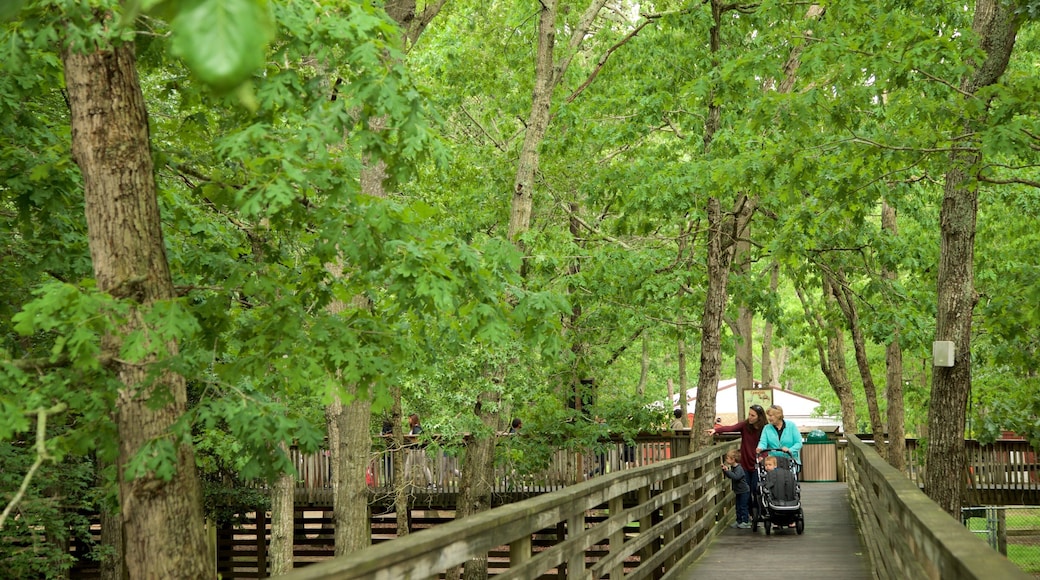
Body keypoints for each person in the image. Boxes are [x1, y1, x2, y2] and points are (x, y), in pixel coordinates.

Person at [707, 404, 767, 510]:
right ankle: (748, 513)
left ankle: (758, 510)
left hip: (758, 462)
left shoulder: (765, 428)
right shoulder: (745, 425)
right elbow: (731, 428)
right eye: (749, 414)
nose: (750, 417)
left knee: (756, 488)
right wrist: (716, 430)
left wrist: (763, 456)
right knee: (745, 489)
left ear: (759, 417)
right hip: (745, 462)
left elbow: (768, 443)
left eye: (753, 415)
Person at [721, 449, 751, 528]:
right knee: (738, 507)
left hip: (744, 491)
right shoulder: (733, 468)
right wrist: (725, 471)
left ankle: (745, 521)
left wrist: (728, 471)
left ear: (733, 459)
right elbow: (731, 476)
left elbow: (736, 477)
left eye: (727, 458)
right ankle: (739, 521)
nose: (726, 459)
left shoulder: (739, 468)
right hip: (738, 491)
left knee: (743, 506)